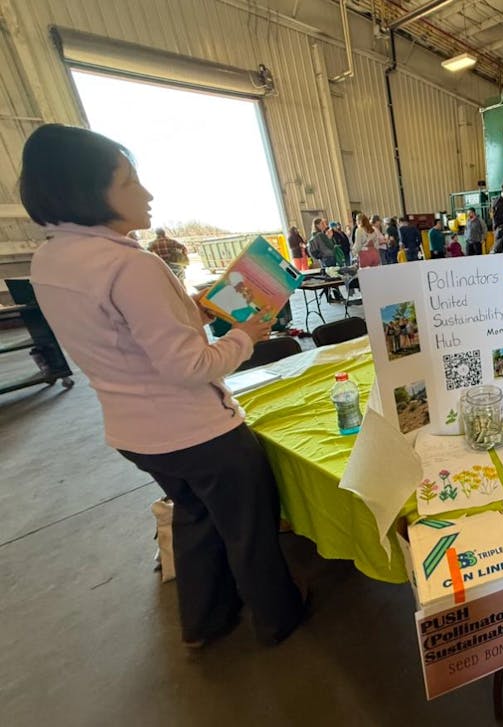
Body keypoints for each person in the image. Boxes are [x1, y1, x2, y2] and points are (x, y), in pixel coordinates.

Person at [21, 124, 306, 648]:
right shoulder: (131, 265)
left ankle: (205, 620)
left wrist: (187, 311)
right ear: (88, 190)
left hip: (133, 432)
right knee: (250, 530)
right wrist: (245, 334)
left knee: (195, 518)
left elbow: (118, 334)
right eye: (130, 182)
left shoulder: (51, 258)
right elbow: (190, 367)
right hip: (197, 432)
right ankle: (277, 617)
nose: (147, 195)